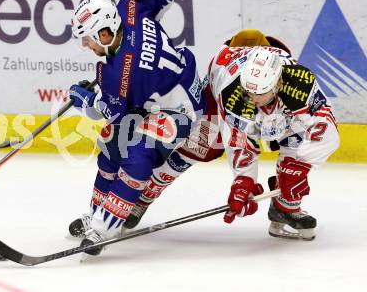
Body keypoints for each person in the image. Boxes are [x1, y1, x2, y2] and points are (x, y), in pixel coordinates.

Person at [68, 0, 207, 255]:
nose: (85, 45)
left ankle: (103, 228)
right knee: (110, 147)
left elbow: (113, 113)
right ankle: (97, 213)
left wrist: (86, 102)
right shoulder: (129, 8)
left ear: (105, 33)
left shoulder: (121, 76)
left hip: (180, 111)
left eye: (88, 38)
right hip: (173, 84)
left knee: (136, 156)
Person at [122, 29, 289, 229]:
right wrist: (244, 182)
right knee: (188, 155)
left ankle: (286, 205)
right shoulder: (224, 65)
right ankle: (142, 198)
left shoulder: (284, 69)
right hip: (216, 114)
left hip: (257, 114)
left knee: (292, 150)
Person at [206, 41, 340, 240]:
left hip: (276, 87)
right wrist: (243, 183)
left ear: (277, 84)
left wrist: (299, 167)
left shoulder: (300, 83)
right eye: (247, 92)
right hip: (219, 74)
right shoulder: (233, 94)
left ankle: (285, 207)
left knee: (297, 130)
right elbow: (240, 143)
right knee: (197, 146)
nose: (251, 98)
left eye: (258, 93)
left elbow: (325, 127)